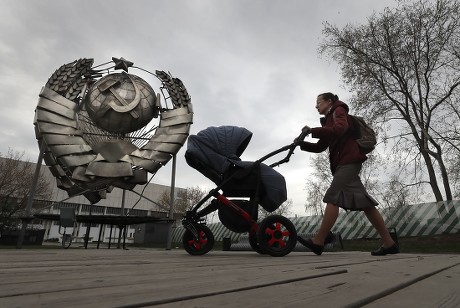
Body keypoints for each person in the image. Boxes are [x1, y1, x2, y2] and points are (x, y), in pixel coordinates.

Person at [295, 92, 399, 256]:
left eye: (318, 103)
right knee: (366, 204)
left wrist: (311, 130)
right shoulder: (330, 120)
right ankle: (389, 243)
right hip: (344, 163)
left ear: (329, 102)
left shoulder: (339, 110)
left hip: (348, 161)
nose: (316, 106)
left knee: (333, 196)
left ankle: (319, 241)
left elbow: (340, 128)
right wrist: (302, 144)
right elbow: (321, 146)